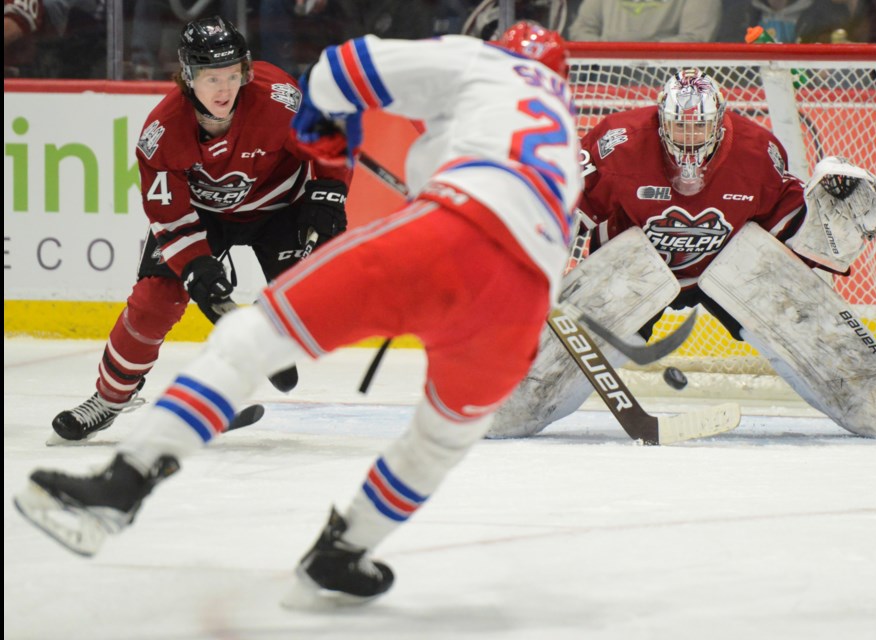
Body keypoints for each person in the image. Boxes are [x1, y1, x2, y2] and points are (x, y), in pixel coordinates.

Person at [14, 21, 582, 605]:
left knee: (252, 337)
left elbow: (343, 70)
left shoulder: (477, 63)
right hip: (523, 297)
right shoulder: (565, 127)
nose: (223, 86)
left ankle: (124, 482)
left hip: (435, 231)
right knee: (440, 440)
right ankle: (342, 553)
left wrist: (328, 158)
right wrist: (197, 264)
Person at [488, 68, 876, 440]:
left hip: (731, 269)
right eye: (680, 126)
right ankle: (497, 403)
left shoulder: (758, 152)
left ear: (720, 122)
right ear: (661, 120)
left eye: (699, 127)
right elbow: (563, 209)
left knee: (789, 309)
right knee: (556, 361)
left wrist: (833, 223)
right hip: (633, 270)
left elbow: (794, 235)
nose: (690, 138)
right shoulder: (616, 142)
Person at [47, 15, 351, 443]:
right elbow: (169, 216)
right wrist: (194, 265)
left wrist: (329, 191)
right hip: (203, 215)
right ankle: (110, 399)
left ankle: (259, 345)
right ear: (188, 78)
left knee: (309, 306)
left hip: (283, 207)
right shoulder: (161, 134)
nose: (224, 89)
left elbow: (330, 141)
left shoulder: (280, 97)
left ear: (245, 71)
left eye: (232, 75)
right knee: (154, 301)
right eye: (211, 78)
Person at [568, 0, 720, 42]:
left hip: (669, 89)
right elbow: (580, 31)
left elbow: (696, 39)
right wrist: (608, 50)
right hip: (603, 82)